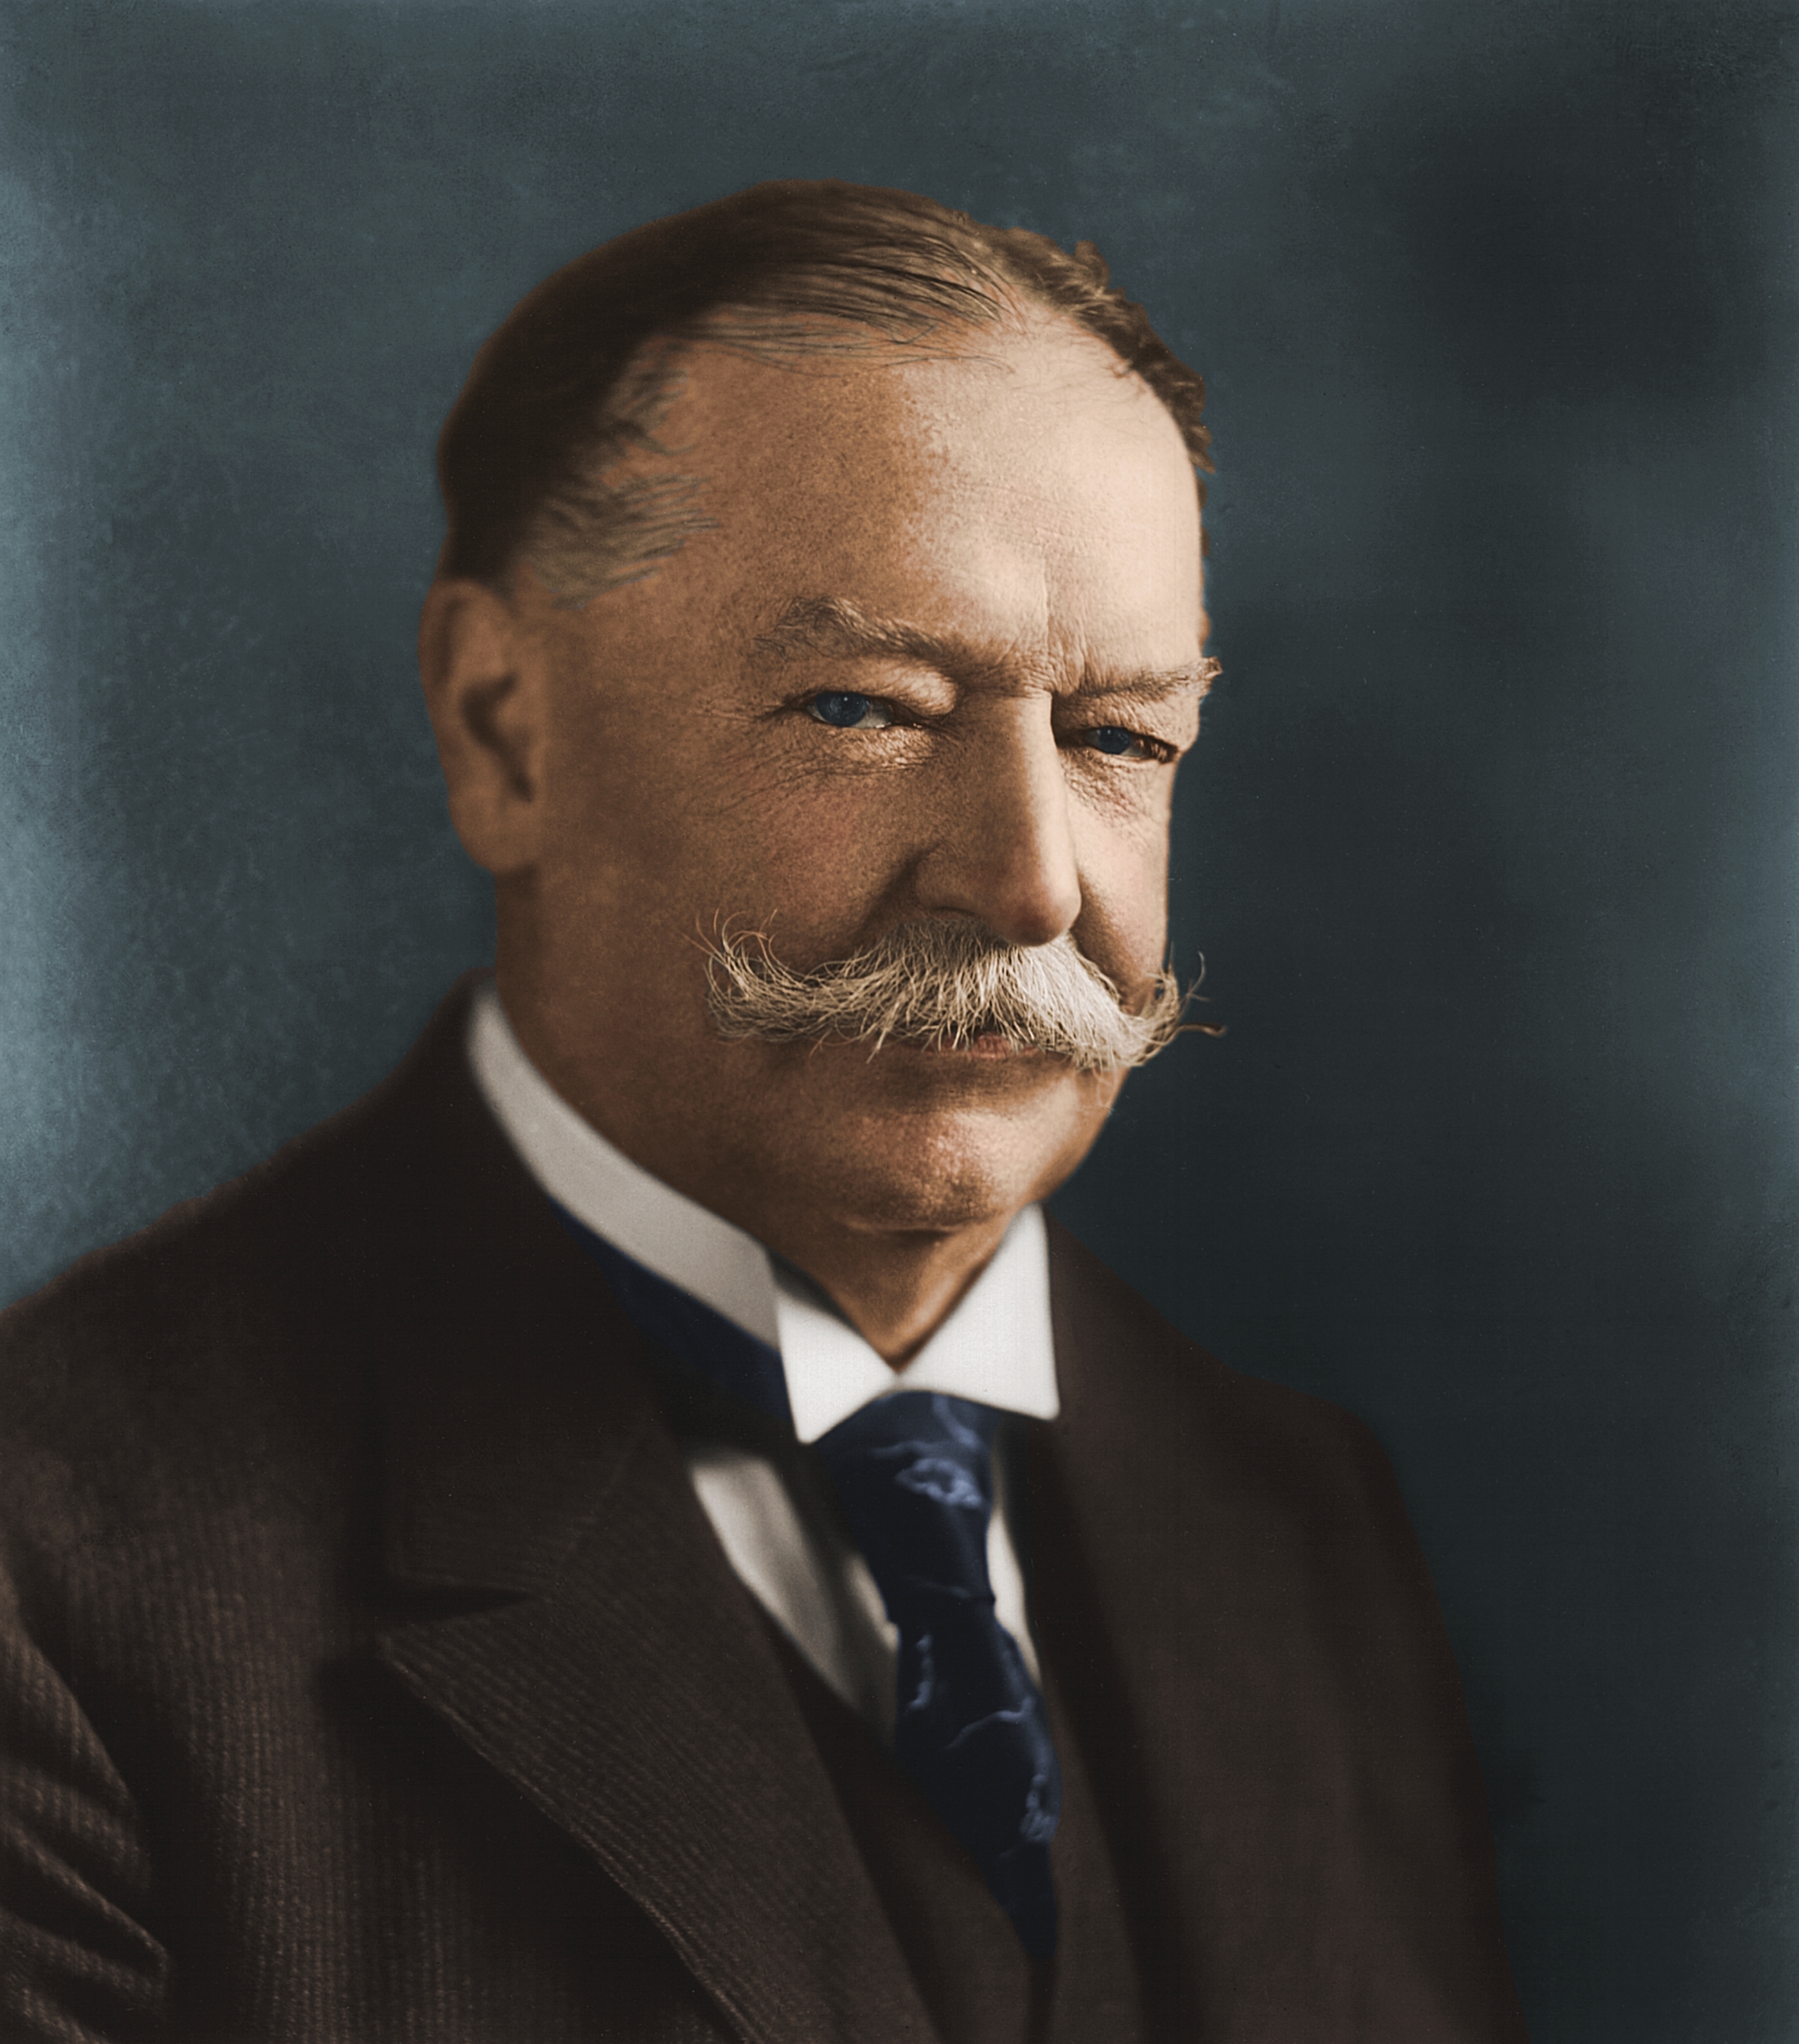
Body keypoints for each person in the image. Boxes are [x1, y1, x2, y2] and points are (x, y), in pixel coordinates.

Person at [0, 182, 1527, 2042]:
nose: (1033, 884)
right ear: (504, 728)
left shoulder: (1296, 1524)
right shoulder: (61, 1575)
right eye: (868, 709)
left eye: (1121, 737)